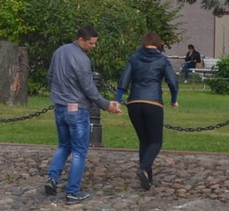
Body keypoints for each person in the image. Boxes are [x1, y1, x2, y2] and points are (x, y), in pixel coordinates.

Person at [44, 24, 119, 204]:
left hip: (60, 106)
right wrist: (106, 105)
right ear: (81, 40)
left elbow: (50, 77)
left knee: (63, 146)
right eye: (91, 43)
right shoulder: (82, 60)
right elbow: (89, 88)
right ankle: (72, 192)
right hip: (77, 109)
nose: (93, 47)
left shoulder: (59, 52)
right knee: (79, 152)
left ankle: (52, 178)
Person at [114, 32, 181, 191]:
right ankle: (144, 168)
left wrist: (117, 100)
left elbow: (123, 81)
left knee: (144, 141)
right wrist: (173, 98)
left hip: (134, 103)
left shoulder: (134, 58)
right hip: (153, 102)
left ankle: (147, 180)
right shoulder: (162, 60)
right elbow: (173, 82)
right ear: (157, 44)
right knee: (156, 141)